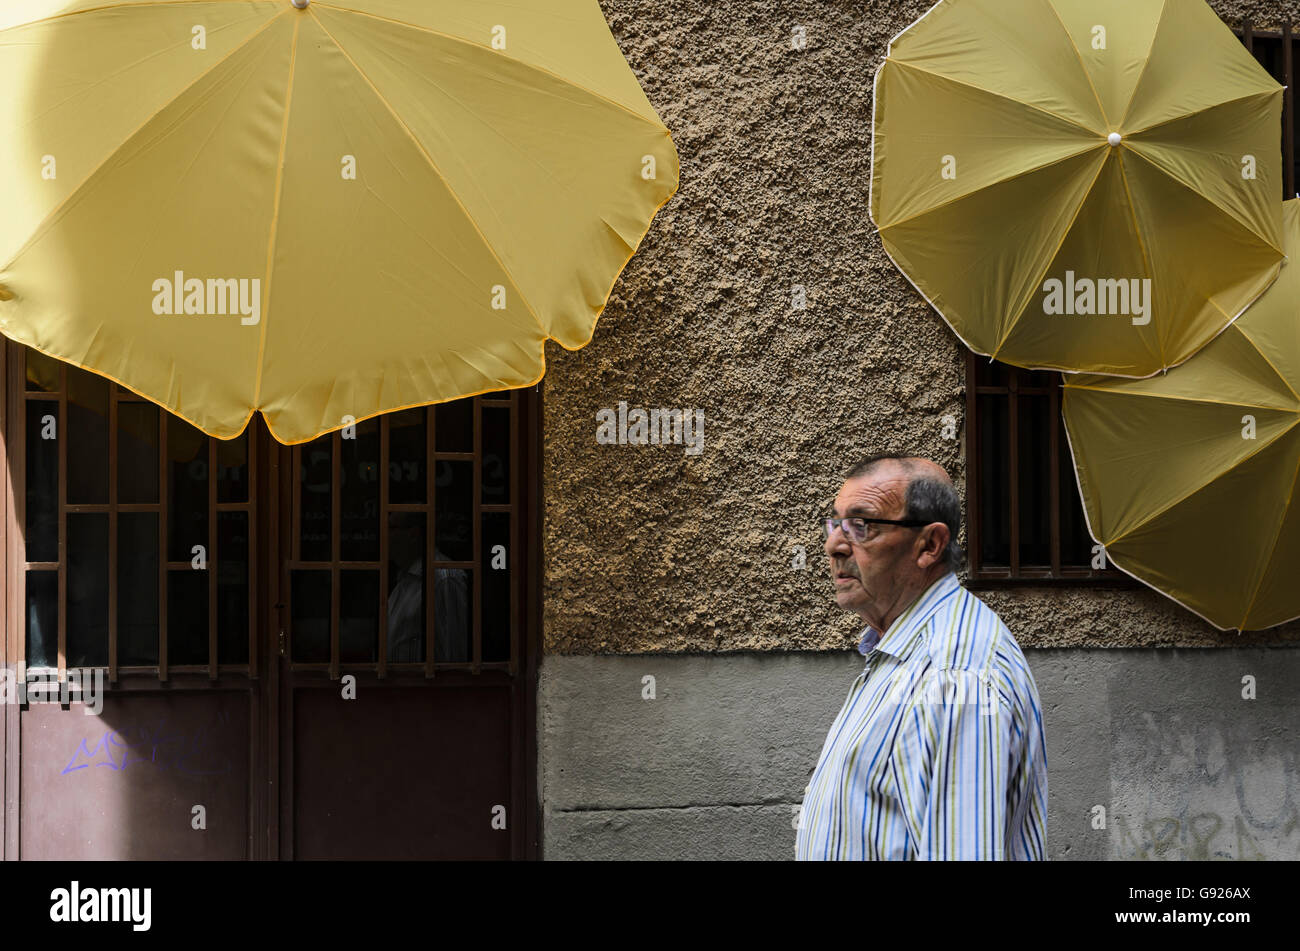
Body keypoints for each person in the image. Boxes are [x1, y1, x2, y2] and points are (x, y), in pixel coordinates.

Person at [795, 454, 1047, 860]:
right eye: (836, 523)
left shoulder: (955, 679)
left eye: (862, 526)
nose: (834, 545)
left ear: (929, 545)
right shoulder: (902, 648)